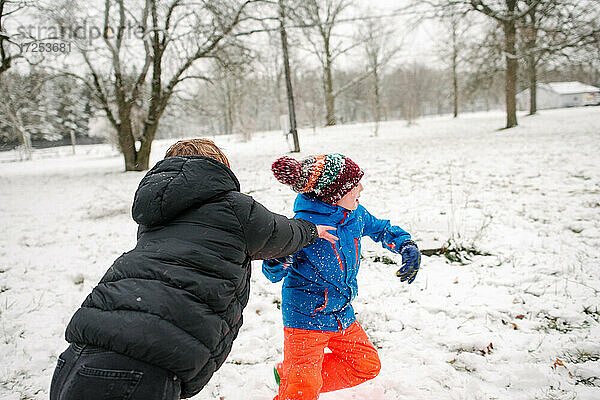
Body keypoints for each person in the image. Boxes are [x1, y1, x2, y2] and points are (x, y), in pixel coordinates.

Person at [50, 139, 337, 400]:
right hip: (147, 359)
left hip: (77, 355)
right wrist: (311, 229)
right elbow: (279, 234)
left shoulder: (154, 214)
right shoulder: (235, 208)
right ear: (218, 168)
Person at [263, 153, 422, 400]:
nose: (361, 188)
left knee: (366, 365)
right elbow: (271, 273)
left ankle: (292, 376)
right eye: (354, 184)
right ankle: (298, 383)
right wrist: (281, 256)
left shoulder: (354, 214)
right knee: (301, 393)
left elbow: (381, 229)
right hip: (305, 318)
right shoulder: (302, 226)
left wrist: (405, 245)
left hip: (341, 313)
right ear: (335, 194)